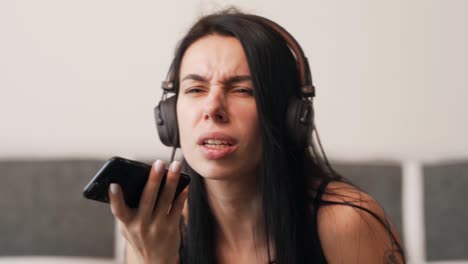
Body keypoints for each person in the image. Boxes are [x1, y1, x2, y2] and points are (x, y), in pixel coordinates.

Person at [108, 8, 406, 264]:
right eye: (195, 89)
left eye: (242, 90)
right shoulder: (158, 227)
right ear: (170, 117)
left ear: (291, 116)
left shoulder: (347, 223)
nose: (212, 108)